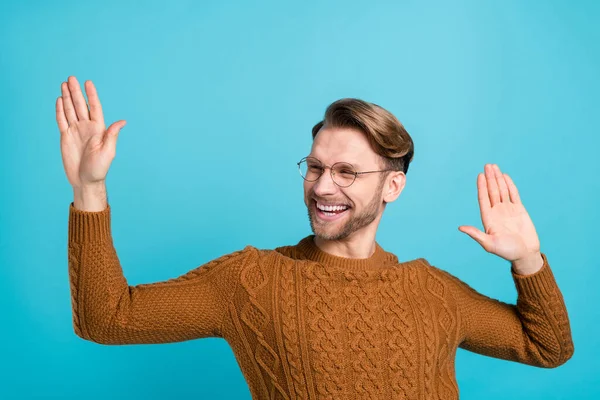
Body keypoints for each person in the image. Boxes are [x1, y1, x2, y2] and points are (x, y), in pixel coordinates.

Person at [57, 76, 574, 399]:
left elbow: (548, 348)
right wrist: (89, 188)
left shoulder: (433, 291)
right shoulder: (251, 280)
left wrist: (528, 260)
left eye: (347, 172)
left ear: (393, 185)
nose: (322, 186)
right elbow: (107, 318)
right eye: (315, 167)